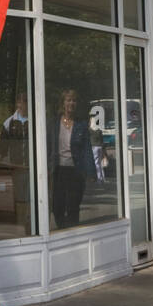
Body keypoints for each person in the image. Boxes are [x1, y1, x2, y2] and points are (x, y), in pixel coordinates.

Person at [46, 89, 95, 229]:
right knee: (57, 205)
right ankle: (62, 228)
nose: (71, 103)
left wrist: (91, 172)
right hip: (58, 169)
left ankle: (72, 233)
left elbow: (87, 149)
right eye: (68, 100)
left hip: (76, 170)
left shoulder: (81, 124)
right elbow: (48, 146)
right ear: (63, 103)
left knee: (73, 205)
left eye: (74, 100)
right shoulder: (54, 123)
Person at [0, 92, 31, 232]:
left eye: (27, 101)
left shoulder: (36, 120)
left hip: (34, 169)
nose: (25, 104)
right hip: (18, 169)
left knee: (33, 199)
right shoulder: (9, 123)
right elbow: (1, 148)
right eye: (23, 101)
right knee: (20, 199)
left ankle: (32, 227)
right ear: (18, 103)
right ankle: (21, 227)